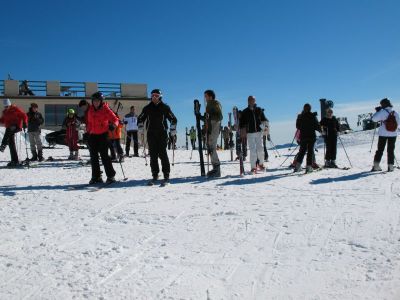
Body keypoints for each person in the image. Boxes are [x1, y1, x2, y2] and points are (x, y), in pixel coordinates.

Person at [137, 89, 177, 185]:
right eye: (153, 95)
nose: (154, 97)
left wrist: (172, 128)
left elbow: (173, 119)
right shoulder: (147, 108)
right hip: (151, 133)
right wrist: (141, 126)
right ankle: (155, 174)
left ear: (160, 97)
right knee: (153, 155)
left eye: (156, 95)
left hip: (162, 133)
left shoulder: (165, 107)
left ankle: (166, 175)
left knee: (162, 153)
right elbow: (140, 118)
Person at [87, 92, 119, 184]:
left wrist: (113, 125)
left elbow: (115, 119)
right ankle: (96, 176)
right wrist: (88, 132)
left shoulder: (105, 109)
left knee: (104, 156)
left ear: (101, 101)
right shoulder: (90, 110)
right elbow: (89, 123)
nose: (95, 103)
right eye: (94, 101)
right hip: (93, 135)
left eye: (97, 101)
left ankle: (111, 176)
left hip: (103, 135)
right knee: (93, 157)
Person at [239, 95, 267, 173]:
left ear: (255, 101)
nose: (251, 101)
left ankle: (261, 164)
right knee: (252, 150)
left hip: (259, 132)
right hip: (250, 133)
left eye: (253, 100)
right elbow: (242, 123)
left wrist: (264, 127)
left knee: (260, 149)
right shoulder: (245, 111)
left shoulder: (259, 109)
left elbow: (264, 119)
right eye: (250, 100)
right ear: (248, 101)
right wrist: (242, 131)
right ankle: (253, 167)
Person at [371, 98, 400, 172]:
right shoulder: (395, 113)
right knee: (391, 150)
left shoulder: (382, 112)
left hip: (383, 134)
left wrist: (378, 111)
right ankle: (390, 166)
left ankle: (376, 166)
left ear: (383, 104)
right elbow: (399, 124)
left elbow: (374, 119)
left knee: (380, 150)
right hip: (393, 134)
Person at [0, 99, 28, 166]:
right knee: (11, 144)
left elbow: (24, 115)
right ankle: (14, 160)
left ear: (9, 105)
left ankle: (3, 144)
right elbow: (3, 120)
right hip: (9, 129)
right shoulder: (5, 112)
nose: (6, 108)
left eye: (7, 106)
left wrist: (25, 123)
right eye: (5, 106)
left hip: (17, 126)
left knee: (9, 129)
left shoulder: (15, 109)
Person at [294, 103, 321, 173]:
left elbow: (298, 126)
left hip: (303, 136)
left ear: (304, 108)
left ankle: (297, 166)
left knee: (302, 151)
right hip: (311, 136)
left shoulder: (300, 116)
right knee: (310, 151)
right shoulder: (313, 115)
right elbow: (317, 126)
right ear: (310, 108)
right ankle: (309, 167)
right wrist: (321, 131)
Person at [202, 90, 223, 177]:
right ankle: (215, 168)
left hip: (214, 127)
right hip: (210, 127)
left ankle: (217, 169)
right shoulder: (208, 104)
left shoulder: (215, 103)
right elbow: (208, 118)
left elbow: (219, 116)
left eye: (206, 96)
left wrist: (209, 117)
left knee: (212, 147)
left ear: (210, 96)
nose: (205, 98)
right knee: (210, 147)